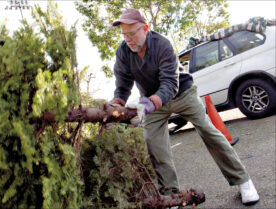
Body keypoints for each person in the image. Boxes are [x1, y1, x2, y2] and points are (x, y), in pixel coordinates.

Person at [111, 8, 260, 206]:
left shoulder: (162, 44)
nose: (127, 39)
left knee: (209, 131)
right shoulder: (123, 52)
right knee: (154, 144)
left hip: (182, 93)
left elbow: (169, 84)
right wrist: (115, 107)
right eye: (124, 35)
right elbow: (122, 86)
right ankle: (171, 197)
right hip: (152, 102)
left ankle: (243, 181)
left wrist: (148, 104)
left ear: (145, 28)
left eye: (131, 33)